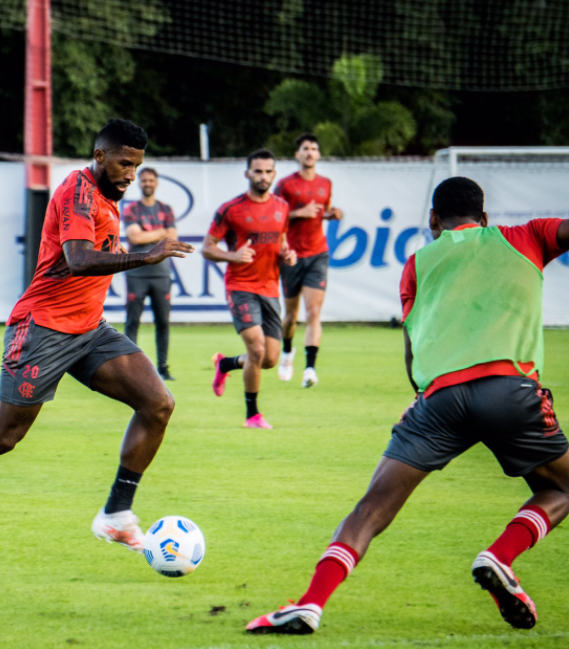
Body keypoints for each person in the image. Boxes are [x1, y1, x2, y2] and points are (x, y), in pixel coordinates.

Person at [246, 177, 569, 635]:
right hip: (510, 390)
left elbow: (412, 347)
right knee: (561, 488)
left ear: (434, 221)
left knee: (371, 509)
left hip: (437, 400)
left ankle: (309, 604)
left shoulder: (416, 263)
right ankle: (499, 555)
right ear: (486, 218)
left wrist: (420, 399)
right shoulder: (527, 236)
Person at [0, 119, 194, 558]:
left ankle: (116, 514)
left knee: (158, 403)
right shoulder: (77, 192)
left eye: (138, 165)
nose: (131, 173)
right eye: (124, 163)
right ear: (100, 156)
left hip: (89, 329)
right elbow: (78, 259)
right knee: (2, 437)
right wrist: (148, 254)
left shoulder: (109, 194)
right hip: (42, 329)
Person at [203, 149, 296, 429]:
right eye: (258, 171)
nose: (263, 176)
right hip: (240, 286)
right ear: (247, 173)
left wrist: (287, 254)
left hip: (270, 288)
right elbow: (208, 248)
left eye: (269, 171)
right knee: (256, 349)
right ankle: (252, 415)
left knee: (268, 359)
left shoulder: (282, 207)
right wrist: (233, 256)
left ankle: (226, 364)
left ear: (274, 174)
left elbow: (281, 241)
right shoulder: (231, 209)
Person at [274, 133, 343, 388]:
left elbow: (323, 210)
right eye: (305, 148)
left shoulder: (325, 183)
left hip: (318, 254)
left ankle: (310, 369)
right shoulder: (285, 185)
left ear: (318, 154)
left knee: (314, 312)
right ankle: (287, 352)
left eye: (314, 148)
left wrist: (332, 214)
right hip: (291, 255)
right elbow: (274, 216)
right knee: (291, 316)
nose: (310, 152)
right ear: (297, 154)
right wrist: (298, 213)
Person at [122, 167, 177, 381]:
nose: (147, 184)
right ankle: (129, 368)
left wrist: (151, 236)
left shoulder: (166, 208)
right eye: (144, 180)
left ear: (156, 183)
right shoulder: (132, 209)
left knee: (163, 322)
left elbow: (172, 237)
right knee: (132, 321)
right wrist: (161, 233)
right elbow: (134, 237)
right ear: (139, 182)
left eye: (151, 180)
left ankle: (163, 367)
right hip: (137, 273)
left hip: (162, 273)